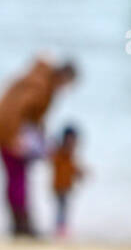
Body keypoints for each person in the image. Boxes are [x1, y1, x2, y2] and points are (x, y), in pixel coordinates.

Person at [0, 56, 78, 236]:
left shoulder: (41, 81)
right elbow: (15, 109)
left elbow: (32, 117)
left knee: (18, 178)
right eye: (67, 84)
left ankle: (20, 224)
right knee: (17, 178)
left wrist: (41, 139)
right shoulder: (40, 85)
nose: (65, 89)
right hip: (8, 133)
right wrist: (13, 138)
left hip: (12, 131)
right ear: (64, 76)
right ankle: (21, 224)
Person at [51, 125, 86, 237]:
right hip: (59, 186)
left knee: (64, 207)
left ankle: (62, 228)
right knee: (62, 207)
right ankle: (61, 229)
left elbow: (73, 169)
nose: (73, 142)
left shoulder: (69, 154)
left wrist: (79, 173)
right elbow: (56, 163)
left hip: (66, 186)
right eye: (71, 139)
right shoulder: (61, 153)